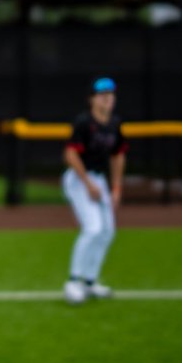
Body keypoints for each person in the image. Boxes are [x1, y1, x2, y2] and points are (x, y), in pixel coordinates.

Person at [62, 77, 127, 305]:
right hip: (80, 179)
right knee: (93, 228)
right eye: (102, 95)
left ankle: (90, 281)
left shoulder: (114, 123)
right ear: (92, 99)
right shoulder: (84, 122)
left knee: (108, 230)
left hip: (99, 180)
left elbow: (118, 155)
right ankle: (73, 281)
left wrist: (116, 186)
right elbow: (70, 155)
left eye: (111, 94)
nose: (108, 98)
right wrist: (88, 184)